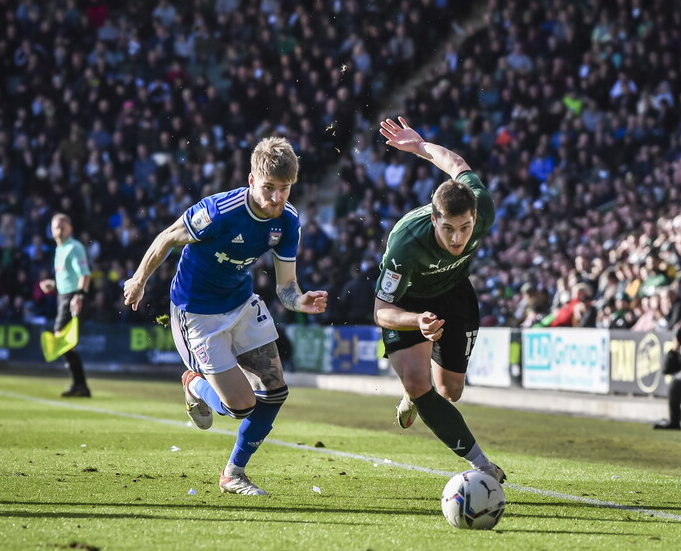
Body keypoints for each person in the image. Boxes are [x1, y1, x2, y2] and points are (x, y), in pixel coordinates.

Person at [122, 137, 327, 496]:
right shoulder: (219, 211)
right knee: (242, 406)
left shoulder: (289, 221)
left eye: (285, 189)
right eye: (269, 188)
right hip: (196, 313)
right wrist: (139, 280)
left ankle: (233, 473)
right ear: (251, 180)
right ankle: (193, 383)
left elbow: (286, 287)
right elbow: (168, 237)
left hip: (241, 303)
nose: (277, 198)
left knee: (276, 391)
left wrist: (300, 301)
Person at [372, 117, 505, 483]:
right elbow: (381, 311)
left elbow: (457, 165)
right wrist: (417, 321)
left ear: (475, 215)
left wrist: (419, 146)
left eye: (464, 228)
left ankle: (421, 396)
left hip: (454, 291)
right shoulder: (405, 246)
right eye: (447, 228)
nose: (457, 238)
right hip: (409, 302)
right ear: (433, 219)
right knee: (418, 382)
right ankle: (482, 465)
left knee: (451, 391)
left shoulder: (483, 207)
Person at [38, 214, 92, 398]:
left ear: (70, 228)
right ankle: (80, 385)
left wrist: (79, 296)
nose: (59, 229)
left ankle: (80, 384)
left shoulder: (74, 248)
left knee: (62, 339)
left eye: (62, 226)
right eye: (55, 227)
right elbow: (69, 277)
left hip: (72, 298)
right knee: (67, 344)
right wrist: (53, 285)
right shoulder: (60, 249)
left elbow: (85, 275)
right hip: (64, 296)